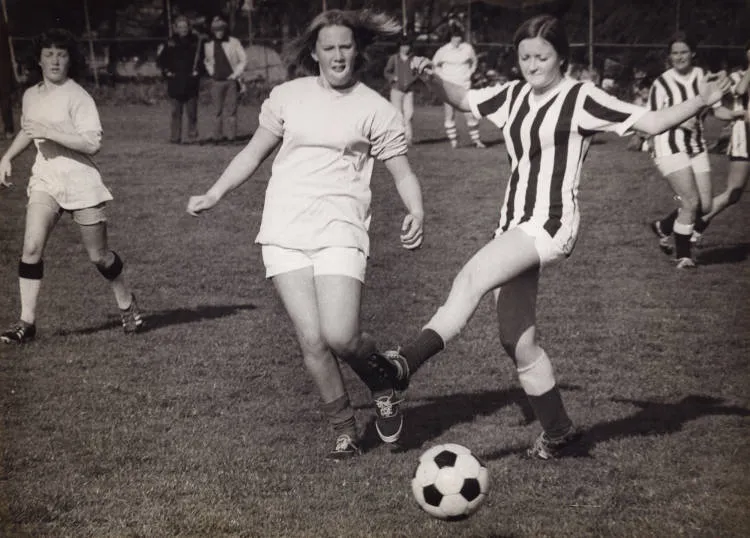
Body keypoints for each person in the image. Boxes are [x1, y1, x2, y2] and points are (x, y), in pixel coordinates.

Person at [373, 14, 730, 460]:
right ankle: (560, 433)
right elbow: (464, 99)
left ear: (562, 56)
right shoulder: (513, 95)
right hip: (513, 222)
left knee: (471, 277)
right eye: (524, 56)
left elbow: (652, 122)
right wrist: (431, 76)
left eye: (541, 56)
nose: (532, 65)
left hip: (550, 222)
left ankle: (401, 367)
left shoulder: (581, 97)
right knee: (517, 342)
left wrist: (703, 100)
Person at [186, 9, 425, 460]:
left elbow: (402, 172)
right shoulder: (286, 96)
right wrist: (214, 193)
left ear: (358, 50)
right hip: (283, 229)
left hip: (341, 226)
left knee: (341, 335)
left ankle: (383, 377)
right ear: (313, 52)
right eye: (329, 47)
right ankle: (345, 431)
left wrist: (416, 209)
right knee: (312, 340)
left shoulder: (376, 108)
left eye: (345, 46)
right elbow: (253, 152)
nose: (338, 55)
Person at [0, 29, 144, 344]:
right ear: (38, 59)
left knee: (100, 257)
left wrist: (50, 132)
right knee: (31, 248)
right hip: (46, 179)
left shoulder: (78, 96)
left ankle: (125, 300)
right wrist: (7, 156)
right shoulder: (31, 95)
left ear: (70, 60)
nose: (55, 60)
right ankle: (27, 322)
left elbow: (92, 143)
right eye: (48, 53)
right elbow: (29, 129)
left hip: (81, 183)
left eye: (61, 54)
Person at [647, 32, 724, 268]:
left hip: (696, 145)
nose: (679, 57)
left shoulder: (702, 77)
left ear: (693, 54)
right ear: (669, 56)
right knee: (690, 202)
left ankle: (663, 227)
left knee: (705, 205)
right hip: (668, 144)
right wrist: (679, 121)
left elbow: (718, 110)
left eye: (683, 52)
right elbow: (652, 119)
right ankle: (683, 256)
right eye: (675, 53)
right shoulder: (661, 84)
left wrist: (741, 115)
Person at [684, 42, 750, 239]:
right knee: (734, 191)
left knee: (735, 194)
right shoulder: (737, 75)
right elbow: (739, 90)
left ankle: (699, 222)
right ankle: (686, 221)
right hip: (744, 136)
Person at [432, 24, 485, 149]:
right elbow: (434, 65)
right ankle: (453, 141)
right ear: (450, 38)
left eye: (459, 37)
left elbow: (474, 61)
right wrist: (442, 78)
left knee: (470, 113)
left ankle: (476, 141)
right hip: (448, 87)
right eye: (455, 37)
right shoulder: (443, 50)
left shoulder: (467, 48)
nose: (457, 39)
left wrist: (470, 73)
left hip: (464, 86)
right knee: (449, 114)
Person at [156, 15, 203, 144]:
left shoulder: (196, 42)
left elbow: (202, 59)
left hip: (191, 81)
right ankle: (175, 137)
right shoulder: (170, 42)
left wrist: (198, 71)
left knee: (192, 112)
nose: (183, 29)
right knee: (176, 112)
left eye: (185, 26)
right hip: (175, 81)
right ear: (176, 28)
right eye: (180, 27)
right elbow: (161, 61)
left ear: (189, 27)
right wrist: (167, 72)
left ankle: (192, 135)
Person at [203, 15, 247, 143]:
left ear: (225, 29)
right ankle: (217, 137)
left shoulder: (234, 42)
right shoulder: (209, 45)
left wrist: (235, 74)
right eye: (216, 29)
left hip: (231, 81)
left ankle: (231, 137)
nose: (219, 32)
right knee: (217, 111)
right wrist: (211, 72)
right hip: (216, 81)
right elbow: (207, 61)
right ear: (212, 30)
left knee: (231, 110)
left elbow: (243, 59)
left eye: (221, 29)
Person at [384, 35, 419, 145]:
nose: (406, 48)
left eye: (407, 45)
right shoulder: (394, 58)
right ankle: (399, 139)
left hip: (409, 91)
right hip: (396, 90)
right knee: (397, 115)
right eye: (403, 46)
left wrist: (413, 79)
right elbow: (387, 71)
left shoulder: (413, 59)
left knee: (409, 113)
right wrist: (392, 78)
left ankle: (408, 138)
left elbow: (417, 73)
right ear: (399, 47)